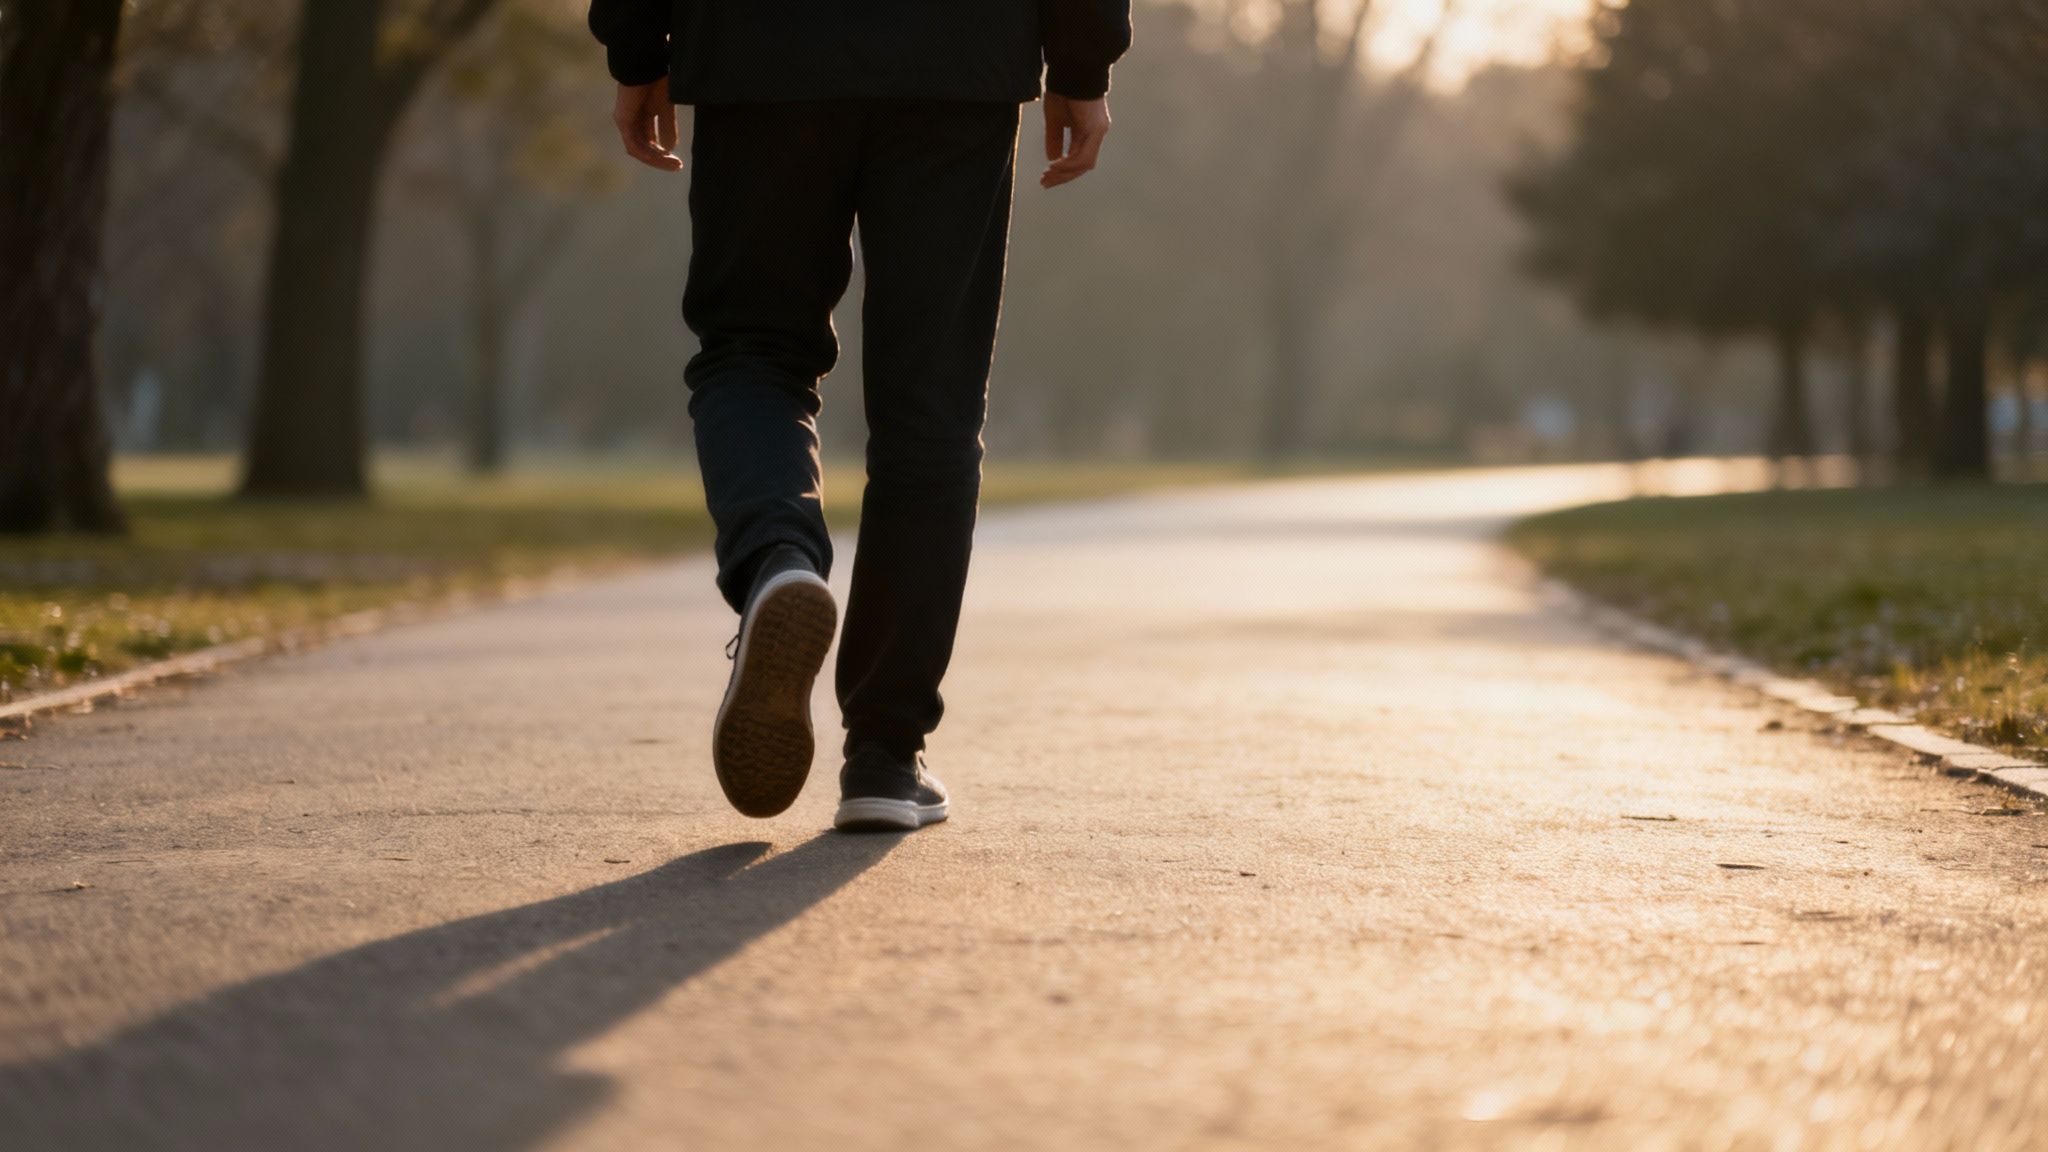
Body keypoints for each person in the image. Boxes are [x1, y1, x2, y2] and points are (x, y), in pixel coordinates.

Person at [587, 2, 1132, 832]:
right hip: (959, 55)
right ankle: (883, 752)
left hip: (758, 51)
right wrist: (1083, 62)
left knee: (753, 352)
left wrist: (636, 45)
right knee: (932, 402)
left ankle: (778, 559)